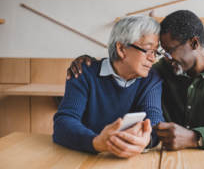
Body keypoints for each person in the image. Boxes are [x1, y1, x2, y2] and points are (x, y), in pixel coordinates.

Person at [68, 10, 204, 151]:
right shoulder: (159, 71)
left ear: (194, 43)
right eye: (160, 52)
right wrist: (88, 63)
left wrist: (196, 137)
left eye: (169, 51)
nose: (161, 58)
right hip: (164, 157)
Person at [53, 15, 164, 158]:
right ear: (121, 49)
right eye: (148, 50)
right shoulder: (84, 73)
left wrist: (146, 140)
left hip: (132, 160)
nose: (152, 58)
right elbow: (64, 122)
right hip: (84, 157)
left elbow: (155, 120)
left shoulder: (151, 79)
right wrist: (96, 142)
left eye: (155, 52)